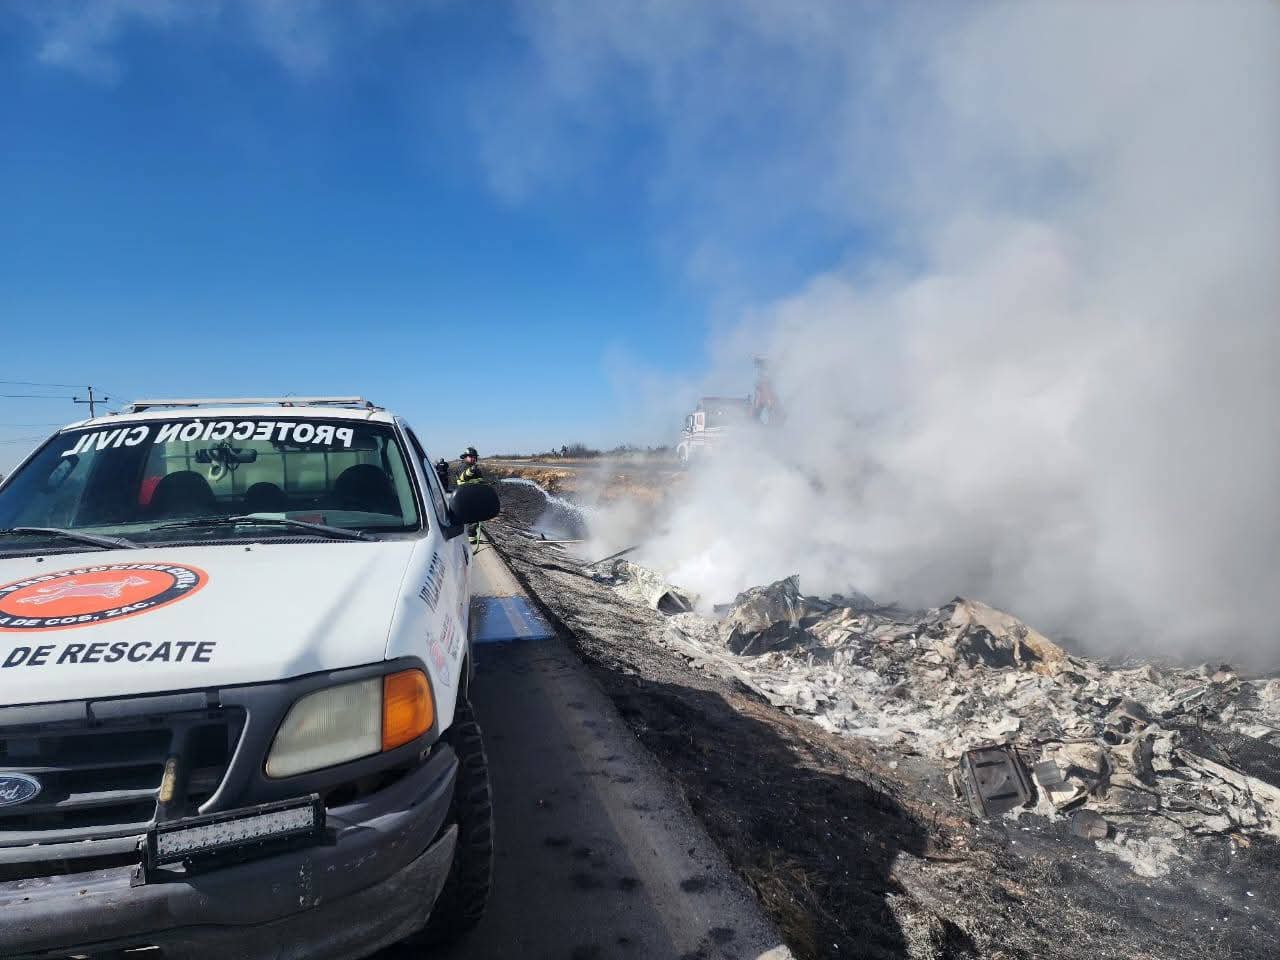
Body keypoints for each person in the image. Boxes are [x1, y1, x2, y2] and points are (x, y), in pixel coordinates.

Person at [457, 446, 484, 545]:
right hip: (466, 497)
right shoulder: (462, 466)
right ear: (465, 457)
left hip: (475, 496)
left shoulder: (476, 469)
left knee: (476, 519)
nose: (473, 458)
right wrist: (471, 470)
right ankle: (472, 540)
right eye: (470, 457)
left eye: (474, 457)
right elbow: (463, 477)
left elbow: (480, 481)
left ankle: (473, 538)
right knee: (472, 520)